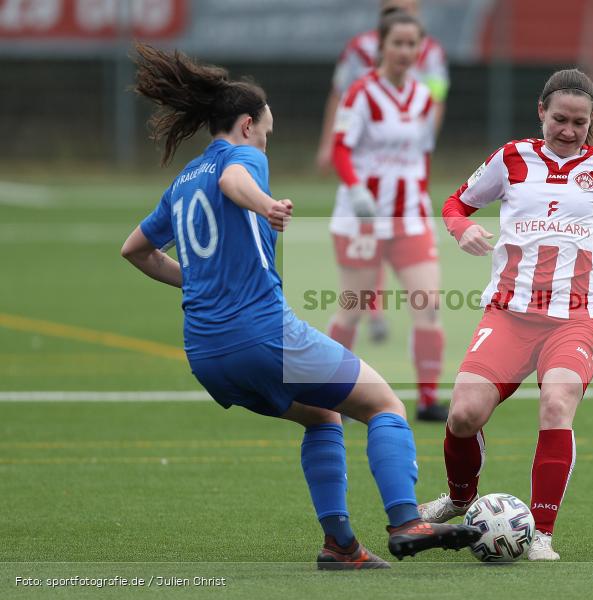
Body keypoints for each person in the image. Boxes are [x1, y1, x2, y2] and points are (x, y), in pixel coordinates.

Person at [120, 42, 479, 570]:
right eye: (266, 129)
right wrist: (265, 203)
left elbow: (135, 250)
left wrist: (197, 284)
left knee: (322, 417)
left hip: (206, 354)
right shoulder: (240, 158)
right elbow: (234, 179)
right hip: (262, 335)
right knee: (384, 404)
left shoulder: (181, 182)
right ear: (247, 125)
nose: (267, 138)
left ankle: (340, 546)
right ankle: (407, 519)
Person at [417, 68, 593, 560]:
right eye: (559, 119)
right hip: (510, 313)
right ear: (541, 112)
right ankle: (461, 499)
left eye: (579, 123)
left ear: (592, 122)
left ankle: (541, 533)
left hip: (577, 317)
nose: (568, 130)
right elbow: (456, 203)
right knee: (463, 415)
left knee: (556, 403)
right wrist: (462, 231)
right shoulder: (511, 158)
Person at [328, 10, 448, 422]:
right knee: (352, 308)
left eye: (411, 44)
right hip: (362, 219)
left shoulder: (423, 97)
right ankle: (331, 395)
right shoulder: (360, 93)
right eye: (396, 43)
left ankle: (429, 399)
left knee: (428, 304)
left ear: (420, 49)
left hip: (410, 218)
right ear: (381, 46)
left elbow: (422, 155)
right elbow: (341, 147)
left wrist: (423, 196)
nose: (404, 51)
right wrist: (356, 188)